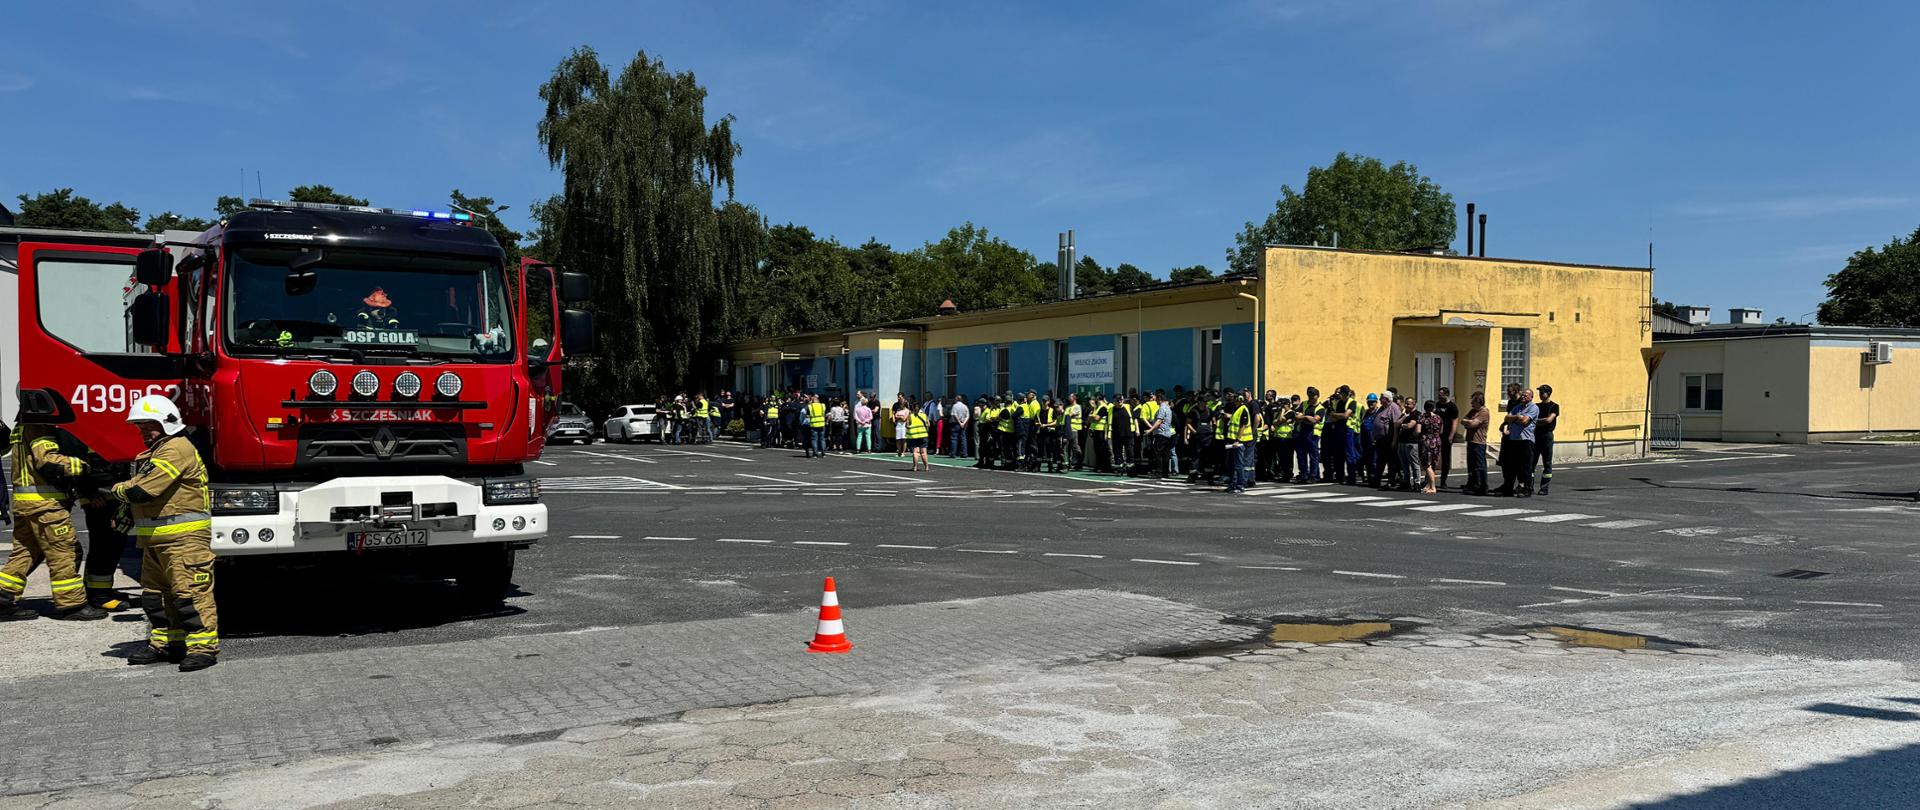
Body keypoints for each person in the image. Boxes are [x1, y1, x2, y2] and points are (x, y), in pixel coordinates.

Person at [112, 395, 219, 671]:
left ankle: (203, 648)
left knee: (190, 596)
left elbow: (143, 490)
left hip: (184, 540)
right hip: (156, 539)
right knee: (155, 597)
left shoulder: (176, 448)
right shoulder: (154, 453)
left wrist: (116, 489)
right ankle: (166, 644)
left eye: (149, 424)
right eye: (139, 426)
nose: (143, 431)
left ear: (168, 422)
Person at [1, 418, 107, 621]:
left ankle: (1, 598)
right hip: (46, 505)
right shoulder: (38, 424)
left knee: (25, 553)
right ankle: (72, 605)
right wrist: (81, 465)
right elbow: (47, 460)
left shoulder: (22, 424)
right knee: (64, 552)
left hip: (27, 504)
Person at [1498, 388, 1540, 497]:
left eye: (1526, 395)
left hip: (1526, 440)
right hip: (1514, 439)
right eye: (1522, 395)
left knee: (1526, 466)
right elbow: (1507, 417)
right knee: (1512, 465)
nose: (1523, 397)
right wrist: (1517, 417)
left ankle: (1527, 488)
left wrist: (1516, 419)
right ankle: (1509, 488)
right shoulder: (1517, 407)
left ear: (1531, 397)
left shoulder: (1534, 408)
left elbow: (1525, 421)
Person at [1461, 391, 1492, 495]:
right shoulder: (1473, 411)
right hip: (1471, 440)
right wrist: (1468, 422)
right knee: (1471, 464)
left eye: (1473, 401)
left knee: (1479, 465)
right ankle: (1472, 483)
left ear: (1479, 401)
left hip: (1479, 442)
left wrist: (1469, 422)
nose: (1471, 403)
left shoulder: (1483, 412)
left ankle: (1482, 485)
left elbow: (1473, 424)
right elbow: (1463, 420)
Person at [1292, 387, 1324, 484]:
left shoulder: (1320, 409)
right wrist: (1307, 417)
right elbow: (1296, 417)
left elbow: (1315, 420)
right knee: (1301, 455)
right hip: (1303, 432)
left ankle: (1313, 476)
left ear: (1317, 396)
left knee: (1313, 456)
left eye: (1312, 395)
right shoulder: (1304, 404)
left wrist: (1304, 417)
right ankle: (1304, 475)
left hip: (1313, 434)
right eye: (1309, 395)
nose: (1310, 397)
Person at [1534, 384, 1559, 496]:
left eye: (1542, 392)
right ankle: (1529, 486)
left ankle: (1544, 487)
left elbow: (1549, 420)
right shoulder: (1536, 406)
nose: (1540, 394)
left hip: (1547, 436)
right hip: (1535, 435)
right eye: (1539, 392)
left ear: (1548, 393)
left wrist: (1535, 421)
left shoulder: (1554, 406)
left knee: (1547, 463)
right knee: (1531, 463)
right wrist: (1539, 421)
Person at [1395, 397, 1424, 492]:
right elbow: (1395, 424)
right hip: (1402, 441)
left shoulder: (1417, 414)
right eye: (1406, 404)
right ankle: (1406, 481)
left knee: (1414, 463)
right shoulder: (1404, 414)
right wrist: (1403, 417)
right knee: (1404, 464)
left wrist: (1402, 425)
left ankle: (1417, 483)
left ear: (1414, 404)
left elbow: (1410, 425)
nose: (1406, 405)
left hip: (1412, 442)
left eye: (1409, 404)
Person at [1435, 387, 1460, 490]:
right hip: (1437, 435)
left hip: (1446, 435)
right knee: (1433, 456)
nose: (1439, 396)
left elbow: (1455, 422)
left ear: (1446, 395)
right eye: (1438, 395)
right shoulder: (1438, 405)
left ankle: (1443, 481)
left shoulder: (1452, 407)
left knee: (1445, 458)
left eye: (1441, 395)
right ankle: (1429, 478)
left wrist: (1451, 436)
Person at [1420, 400, 1444, 494]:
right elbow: (1441, 431)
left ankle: (1433, 487)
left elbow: (1418, 430)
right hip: (1437, 441)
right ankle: (1429, 485)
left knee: (1427, 464)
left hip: (1427, 442)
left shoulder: (1422, 417)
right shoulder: (1439, 418)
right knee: (1433, 463)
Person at [1358, 394, 1380, 487]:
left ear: (1376, 402)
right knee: (1367, 460)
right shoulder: (1365, 413)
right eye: (1369, 402)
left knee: (1374, 460)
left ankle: (1375, 478)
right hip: (1365, 440)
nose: (1370, 403)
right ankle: (1369, 477)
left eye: (1372, 402)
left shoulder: (1378, 413)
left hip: (1374, 440)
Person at [904, 397, 931, 471]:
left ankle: (915, 467)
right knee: (923, 452)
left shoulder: (910, 416)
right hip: (923, 435)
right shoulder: (924, 415)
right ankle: (926, 467)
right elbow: (928, 424)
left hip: (913, 436)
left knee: (916, 452)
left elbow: (906, 425)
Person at [1063, 394, 1083, 470]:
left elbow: (1070, 415)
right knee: (1067, 447)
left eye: (1070, 397)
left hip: (1074, 429)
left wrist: (1069, 415)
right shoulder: (1068, 407)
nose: (1068, 398)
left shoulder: (1077, 407)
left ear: (1074, 398)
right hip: (1068, 429)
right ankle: (1069, 463)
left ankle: (1079, 462)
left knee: (1075, 446)